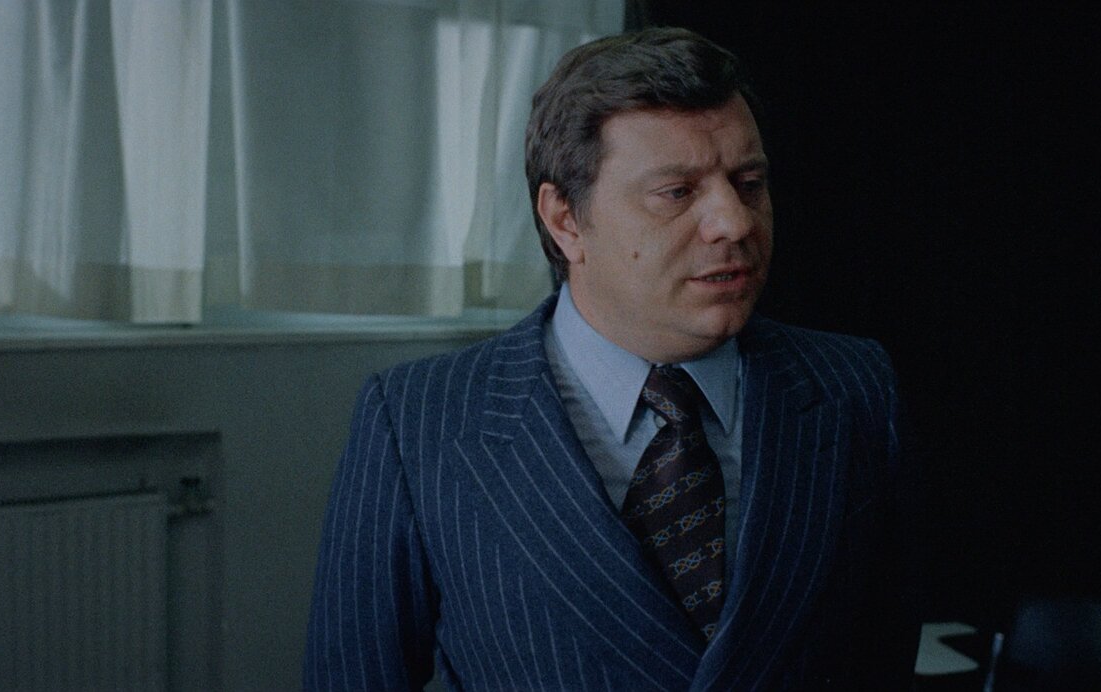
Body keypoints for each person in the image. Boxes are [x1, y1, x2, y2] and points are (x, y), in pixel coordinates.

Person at [305, 27, 918, 690]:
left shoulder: (855, 388)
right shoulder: (417, 421)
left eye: (749, 183)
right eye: (677, 192)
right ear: (565, 220)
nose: (735, 222)